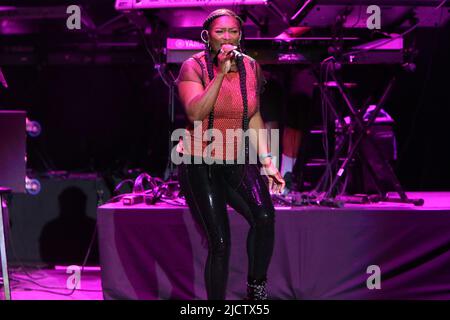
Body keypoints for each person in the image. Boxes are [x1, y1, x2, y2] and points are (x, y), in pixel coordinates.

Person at [175, 8, 285, 300]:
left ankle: (256, 292)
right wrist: (221, 75)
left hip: (235, 158)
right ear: (207, 37)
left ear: (240, 35)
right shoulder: (193, 67)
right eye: (220, 32)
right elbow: (196, 112)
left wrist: (267, 161)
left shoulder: (251, 67)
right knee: (220, 242)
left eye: (233, 32)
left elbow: (253, 116)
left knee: (264, 218)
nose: (227, 38)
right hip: (200, 161)